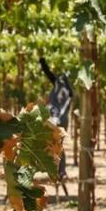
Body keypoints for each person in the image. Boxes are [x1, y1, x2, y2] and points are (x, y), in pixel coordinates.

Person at [40, 57, 72, 197]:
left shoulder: (58, 84)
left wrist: (42, 61)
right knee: (59, 145)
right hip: (63, 121)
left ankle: (54, 168)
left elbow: (48, 72)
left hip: (54, 119)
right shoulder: (70, 92)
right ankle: (61, 171)